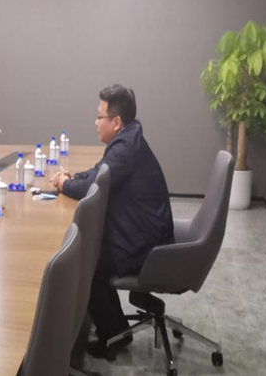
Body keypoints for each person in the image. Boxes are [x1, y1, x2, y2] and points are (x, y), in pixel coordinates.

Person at [51, 84, 174, 360]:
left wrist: (65, 185)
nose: (95, 122)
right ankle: (114, 326)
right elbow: (99, 172)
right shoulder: (127, 139)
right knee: (91, 248)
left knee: (86, 261)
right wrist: (71, 178)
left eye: (99, 117)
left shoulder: (125, 147)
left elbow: (94, 188)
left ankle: (114, 333)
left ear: (116, 122)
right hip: (144, 231)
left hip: (146, 243)